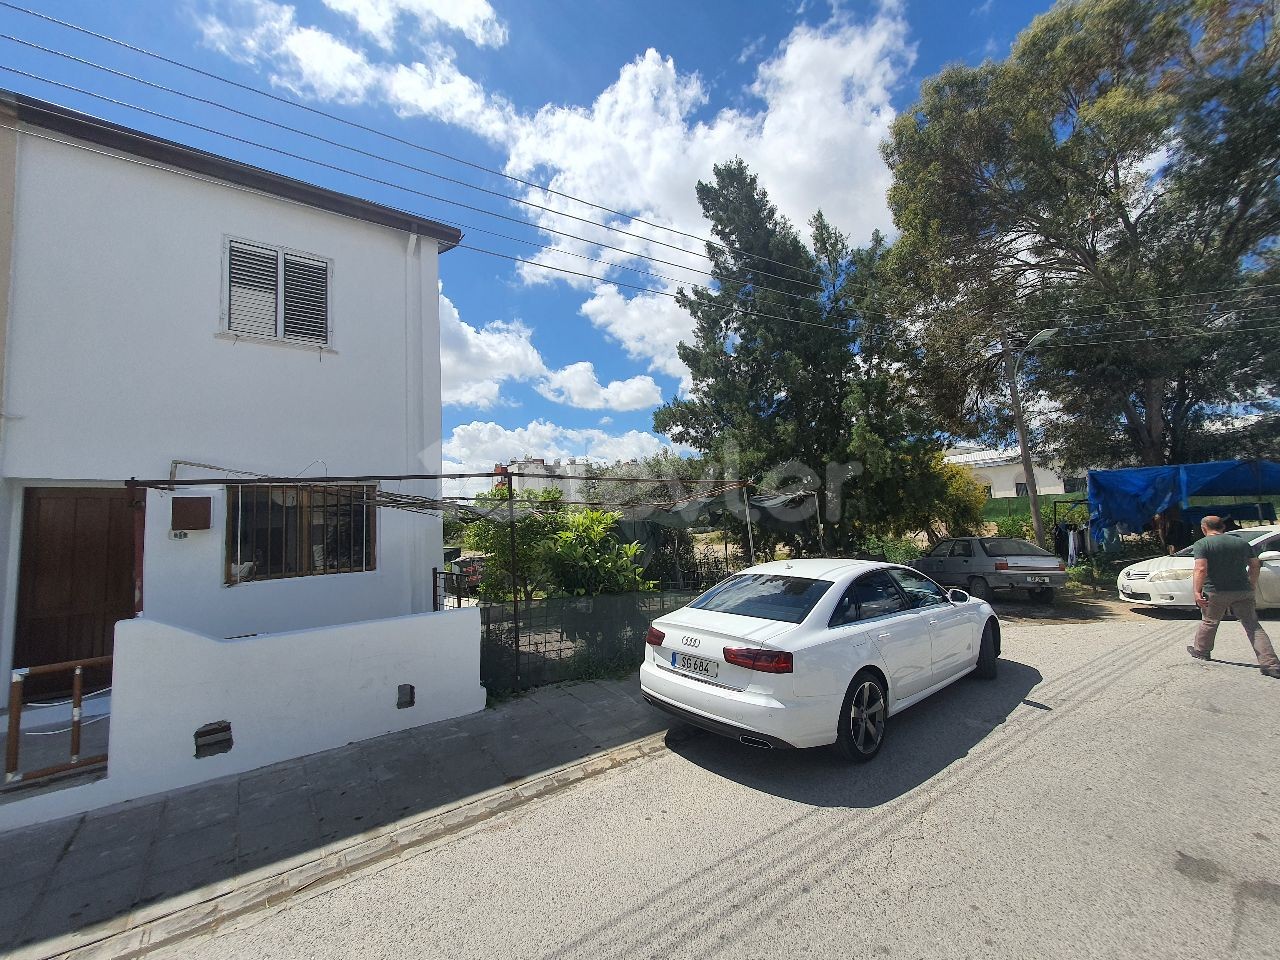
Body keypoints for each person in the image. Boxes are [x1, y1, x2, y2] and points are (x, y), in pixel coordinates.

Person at [1188, 515, 1280, 678]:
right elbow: (1254, 564)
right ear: (1223, 527)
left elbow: (1201, 568)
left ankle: (1201, 650)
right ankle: (1270, 664)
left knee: (1210, 621)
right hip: (1242, 590)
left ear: (1203, 529)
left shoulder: (1202, 544)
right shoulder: (1241, 543)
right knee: (1252, 625)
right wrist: (1251, 584)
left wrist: (1196, 591)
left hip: (1215, 591)